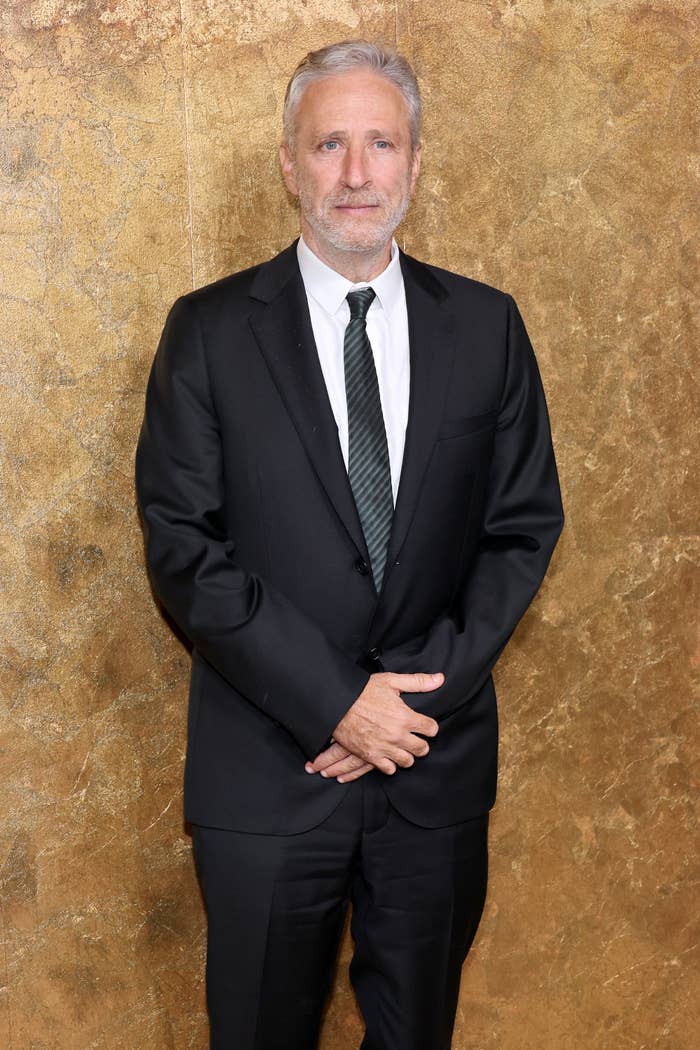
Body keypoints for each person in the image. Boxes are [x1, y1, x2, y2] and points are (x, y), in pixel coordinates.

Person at [135, 38, 564, 1050]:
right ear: (291, 164)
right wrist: (335, 703)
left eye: (382, 143)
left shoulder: (489, 329)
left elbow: (520, 528)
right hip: (268, 775)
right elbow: (184, 548)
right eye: (331, 144)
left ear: (415, 162)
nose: (358, 173)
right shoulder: (205, 333)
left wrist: (405, 707)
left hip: (432, 768)